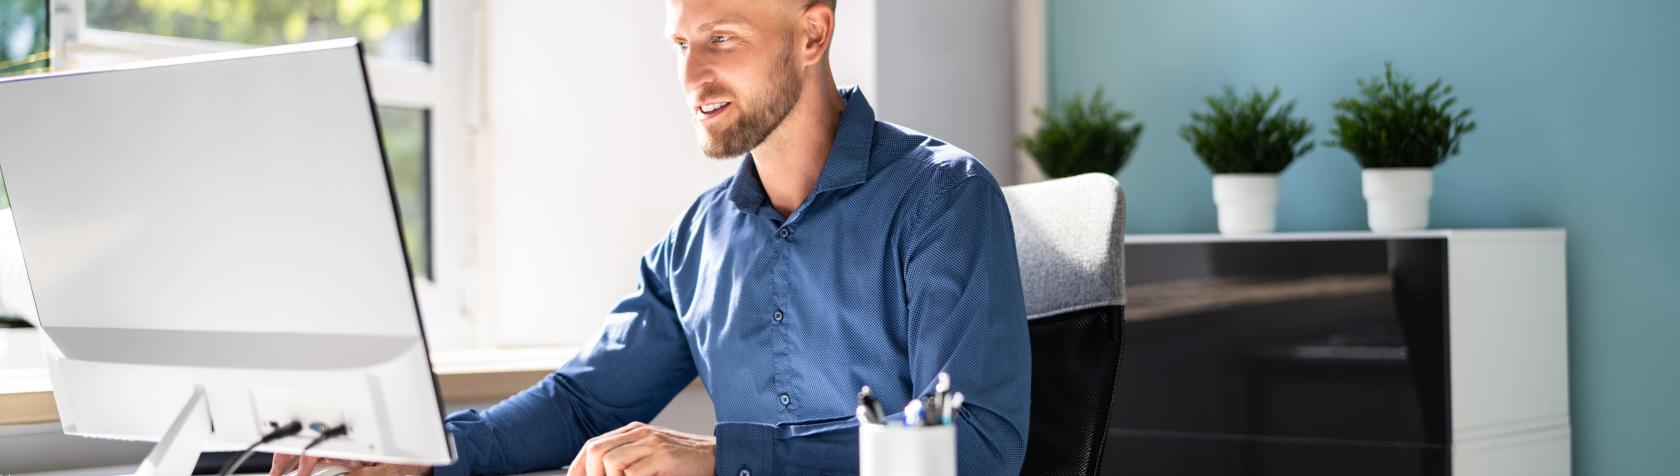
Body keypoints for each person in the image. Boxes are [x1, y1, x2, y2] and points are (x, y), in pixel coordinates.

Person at [275, 0, 1029, 474]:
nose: (692, 75)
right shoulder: (696, 241)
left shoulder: (941, 198)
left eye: (722, 38)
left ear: (811, 33)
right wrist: (420, 451)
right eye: (680, 44)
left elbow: (983, 444)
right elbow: (580, 404)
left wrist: (718, 461)